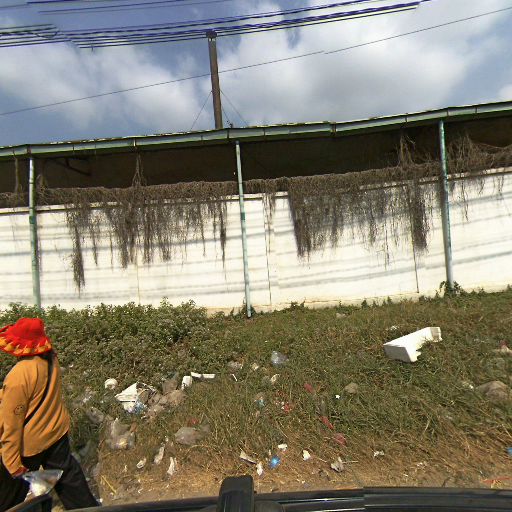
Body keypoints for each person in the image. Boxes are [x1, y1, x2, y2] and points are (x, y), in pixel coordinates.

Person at [0, 318, 99, 512]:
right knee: (69, 478)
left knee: (9, 495)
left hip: (30, 444)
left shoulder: (19, 375)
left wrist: (12, 463)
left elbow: (12, 426)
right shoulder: (51, 358)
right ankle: (89, 509)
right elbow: (36, 391)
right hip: (55, 430)